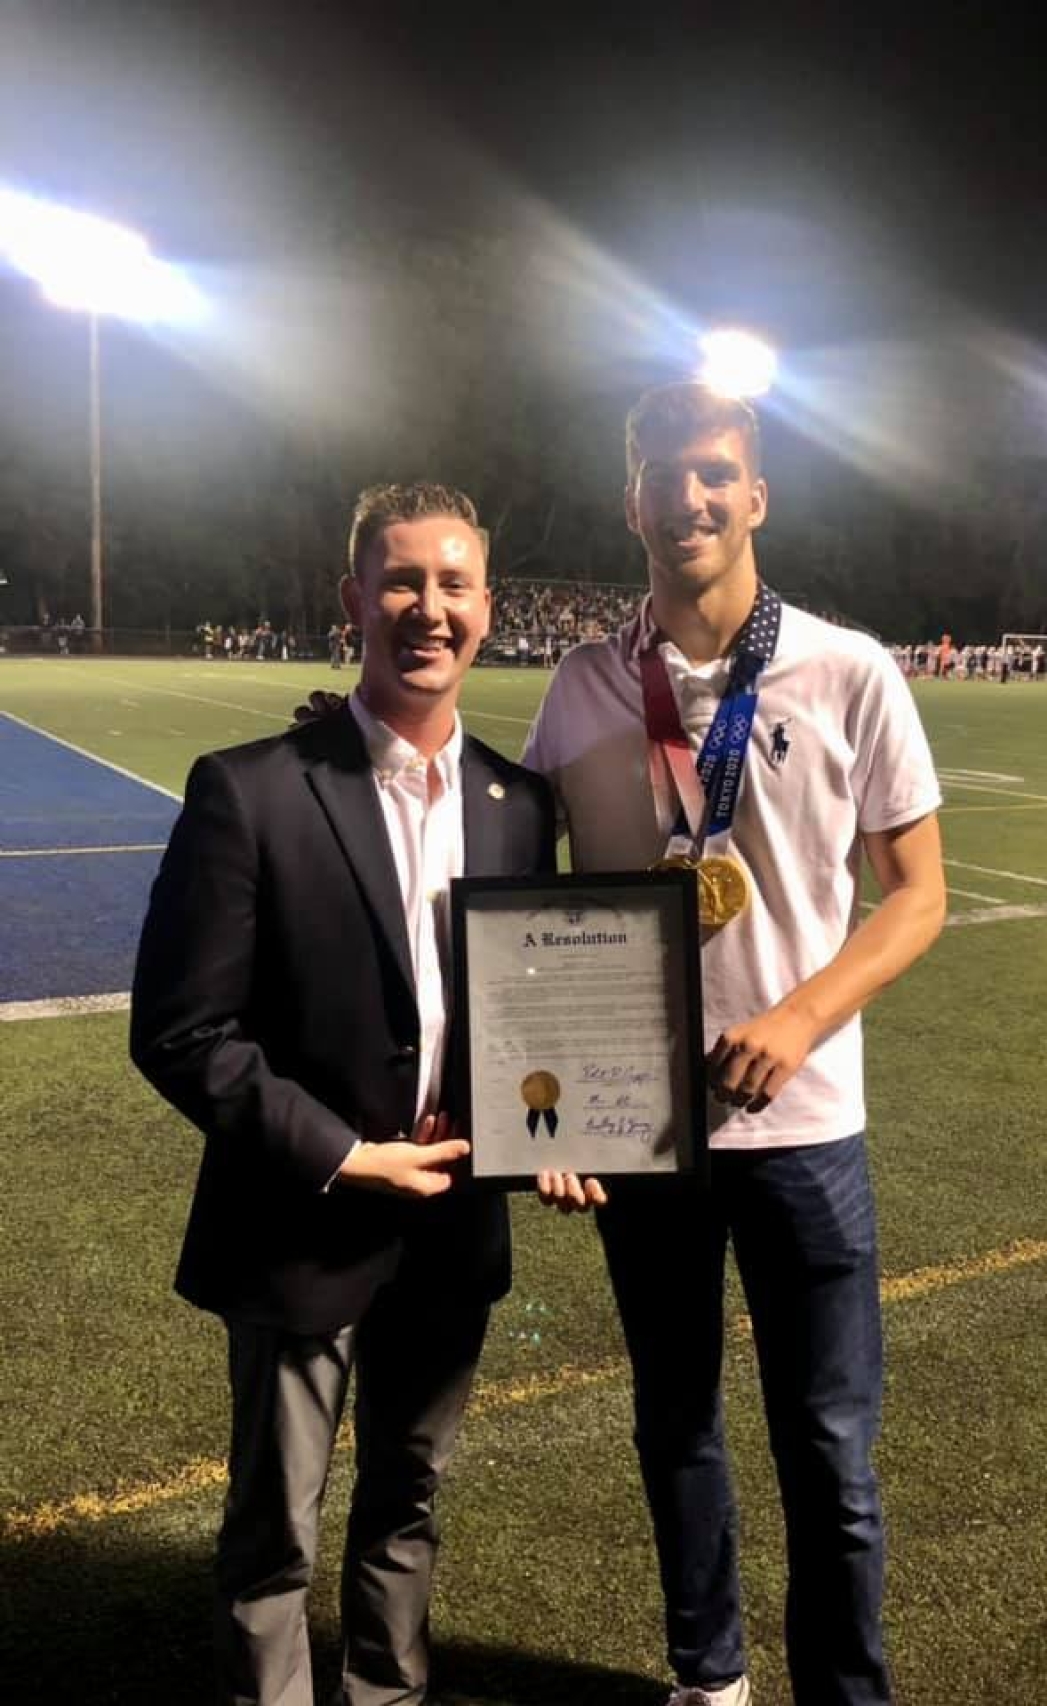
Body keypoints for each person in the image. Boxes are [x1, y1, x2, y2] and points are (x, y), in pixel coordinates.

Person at [525, 383, 947, 1706]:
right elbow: (515, 876)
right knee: (676, 1420)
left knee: (829, 1447)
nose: (689, 497)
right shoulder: (584, 684)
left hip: (805, 1128)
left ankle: (844, 1690)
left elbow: (920, 890)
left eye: (716, 474)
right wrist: (349, 754)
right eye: (664, 473)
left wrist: (804, 1015)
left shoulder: (847, 669)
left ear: (755, 494)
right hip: (639, 1129)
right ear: (631, 497)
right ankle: (709, 1676)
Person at [131, 482, 556, 1706]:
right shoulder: (250, 788)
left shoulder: (520, 808)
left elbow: (535, 1014)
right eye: (402, 579)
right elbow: (182, 1031)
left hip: (455, 1219)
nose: (429, 607)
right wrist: (340, 1154)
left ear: (488, 606)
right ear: (352, 597)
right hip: (299, 1217)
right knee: (275, 1539)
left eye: (454, 582)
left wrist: (566, 1130)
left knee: (408, 1506)